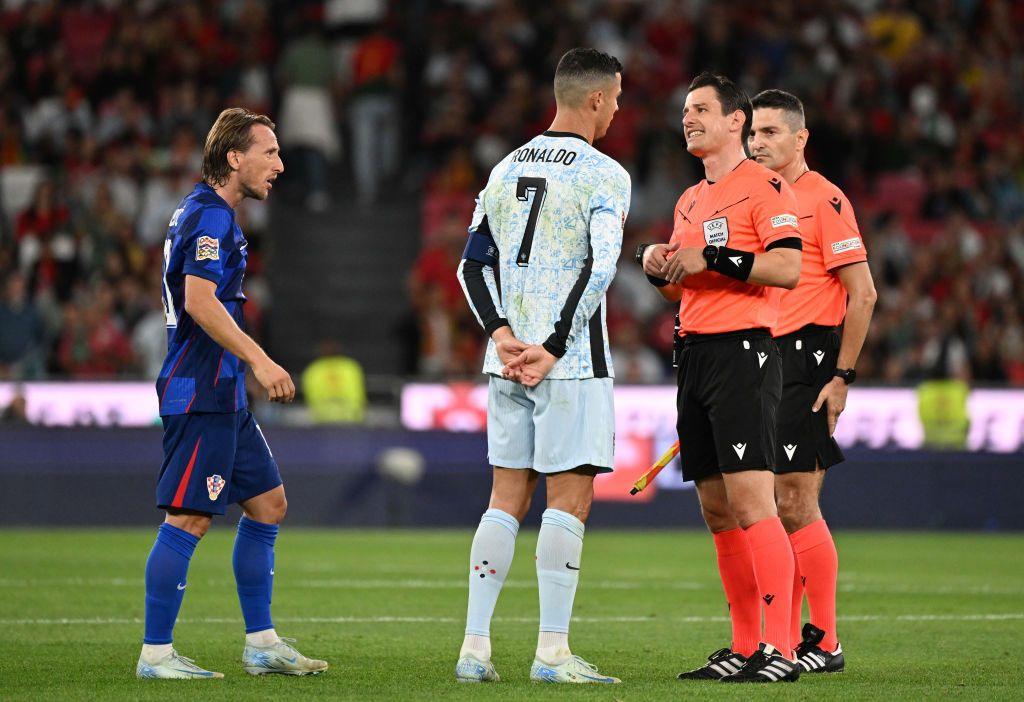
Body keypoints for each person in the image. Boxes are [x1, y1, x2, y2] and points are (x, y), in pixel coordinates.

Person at [454, 47, 630, 685]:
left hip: (506, 361)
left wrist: (500, 334)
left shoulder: (504, 168)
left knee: (504, 498)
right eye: (613, 99)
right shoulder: (604, 174)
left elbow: (471, 265)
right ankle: (552, 653)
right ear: (594, 99)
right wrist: (554, 344)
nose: (615, 110)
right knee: (569, 499)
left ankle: (475, 648)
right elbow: (601, 265)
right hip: (570, 362)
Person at [136, 108, 327, 679]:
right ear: (233, 158)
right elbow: (198, 300)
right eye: (268, 153)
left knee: (268, 503)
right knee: (189, 518)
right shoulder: (212, 217)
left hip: (223, 393)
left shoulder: (207, 212)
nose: (280, 164)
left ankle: (262, 643)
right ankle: (156, 654)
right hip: (203, 393)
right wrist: (261, 359)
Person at [637, 72, 803, 683]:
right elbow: (686, 282)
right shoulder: (688, 200)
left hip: (744, 352)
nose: (689, 119)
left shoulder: (765, 187)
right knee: (715, 509)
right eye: (685, 110)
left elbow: (786, 268)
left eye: (702, 109)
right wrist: (657, 266)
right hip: (695, 355)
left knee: (754, 501)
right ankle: (743, 645)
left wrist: (717, 257)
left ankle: (781, 650)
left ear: (737, 120)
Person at [749, 89, 877, 673]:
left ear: (801, 138)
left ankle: (824, 642)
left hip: (809, 360)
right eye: (753, 133)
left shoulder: (823, 199)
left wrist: (842, 375)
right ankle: (791, 641)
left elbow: (863, 292)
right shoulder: (753, 197)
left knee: (796, 499)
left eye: (771, 132)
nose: (758, 142)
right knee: (778, 503)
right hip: (762, 360)